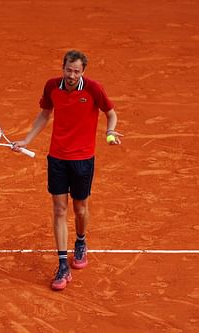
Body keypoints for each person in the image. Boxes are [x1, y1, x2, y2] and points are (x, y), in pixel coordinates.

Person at [12, 50, 123, 291]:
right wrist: (27, 140)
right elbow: (44, 114)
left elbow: (111, 114)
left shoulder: (94, 88)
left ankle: (81, 241)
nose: (72, 75)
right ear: (63, 68)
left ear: (83, 71)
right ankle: (63, 264)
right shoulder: (52, 86)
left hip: (83, 160)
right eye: (68, 70)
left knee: (80, 208)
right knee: (59, 209)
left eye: (76, 71)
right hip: (58, 158)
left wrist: (110, 132)